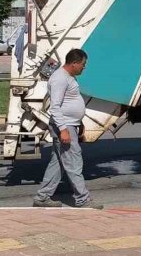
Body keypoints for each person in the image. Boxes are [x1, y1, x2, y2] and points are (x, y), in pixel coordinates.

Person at [32, 48, 101, 209]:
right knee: (74, 162)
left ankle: (42, 197)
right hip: (64, 126)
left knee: (58, 163)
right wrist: (63, 129)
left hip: (69, 124)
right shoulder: (60, 79)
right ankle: (82, 199)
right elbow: (55, 107)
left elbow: (69, 102)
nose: (84, 67)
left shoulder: (68, 77)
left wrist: (78, 121)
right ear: (74, 63)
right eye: (83, 64)